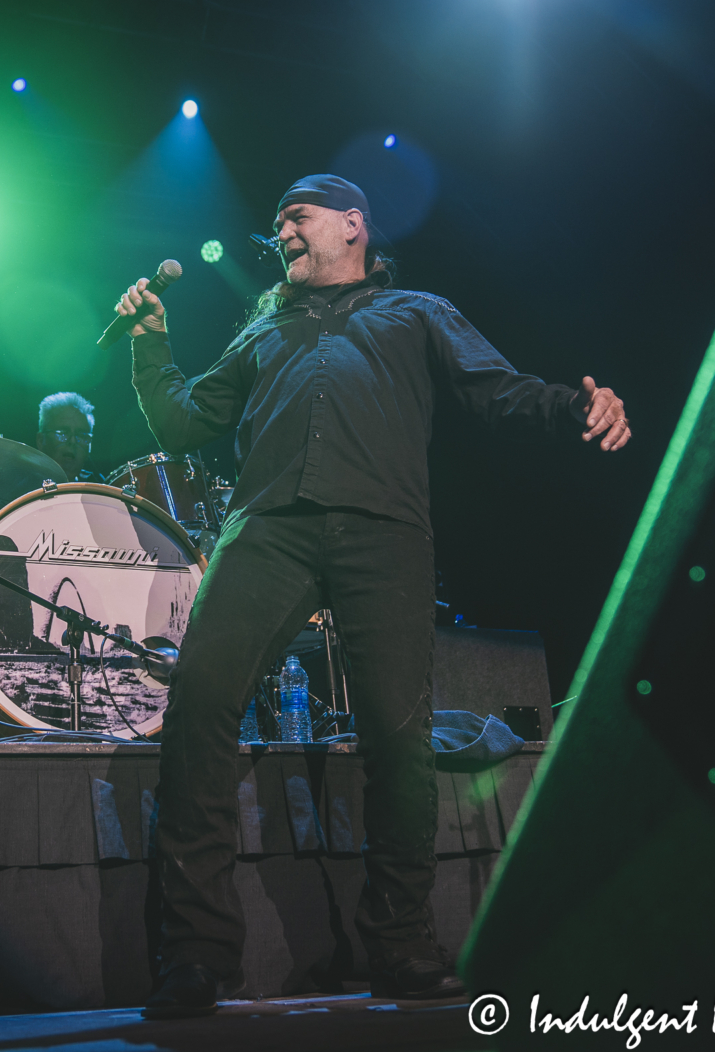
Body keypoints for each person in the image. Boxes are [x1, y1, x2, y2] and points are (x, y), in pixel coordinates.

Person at [114, 174, 631, 1018]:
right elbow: (178, 422)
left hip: (385, 534)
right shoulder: (263, 328)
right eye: (277, 218)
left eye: (298, 214)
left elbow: (495, 389)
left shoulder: (417, 310)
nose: (281, 228)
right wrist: (149, 343)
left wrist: (577, 406)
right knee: (202, 706)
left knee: (398, 738)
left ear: (352, 225)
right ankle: (197, 955)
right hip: (267, 531)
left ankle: (400, 944)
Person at [35, 391, 104, 483]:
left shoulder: (98, 486)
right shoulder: (21, 486)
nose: (73, 441)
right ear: (41, 440)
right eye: (62, 433)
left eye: (81, 435)